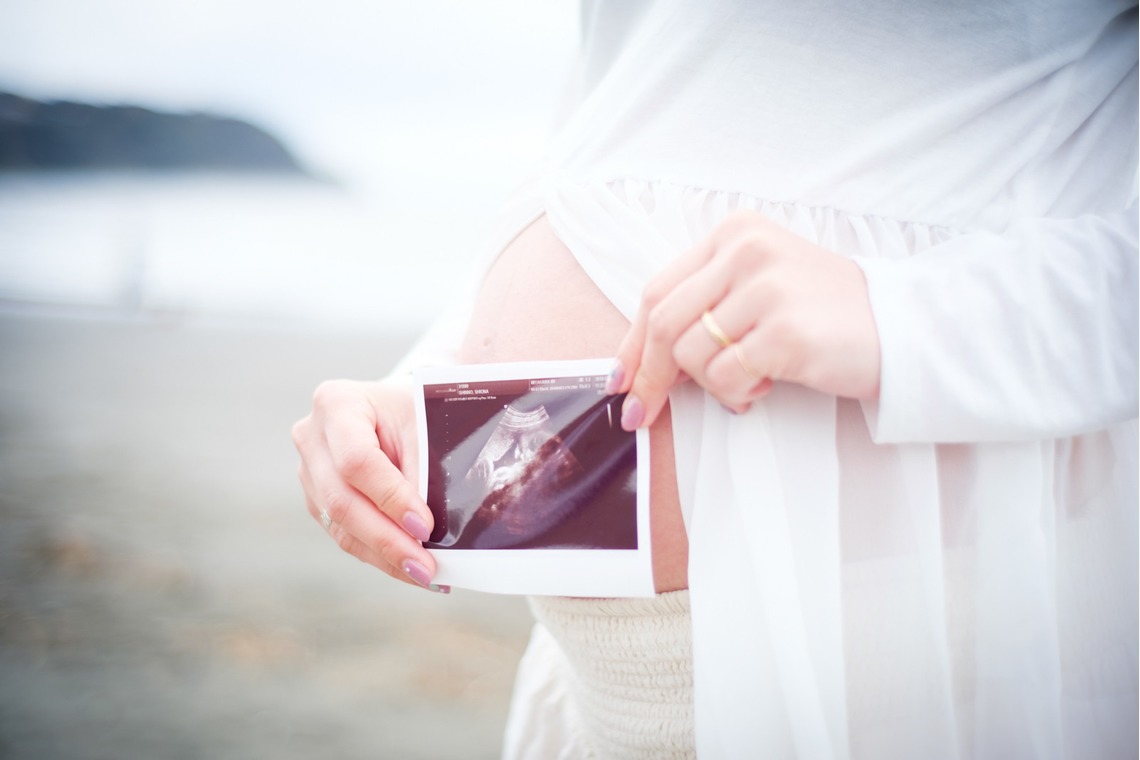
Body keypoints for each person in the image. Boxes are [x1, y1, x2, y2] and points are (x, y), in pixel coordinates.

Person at [292, 1, 1139, 757]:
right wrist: (421, 389)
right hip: (595, 657)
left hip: (879, 532)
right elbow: (613, 131)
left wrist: (903, 312)